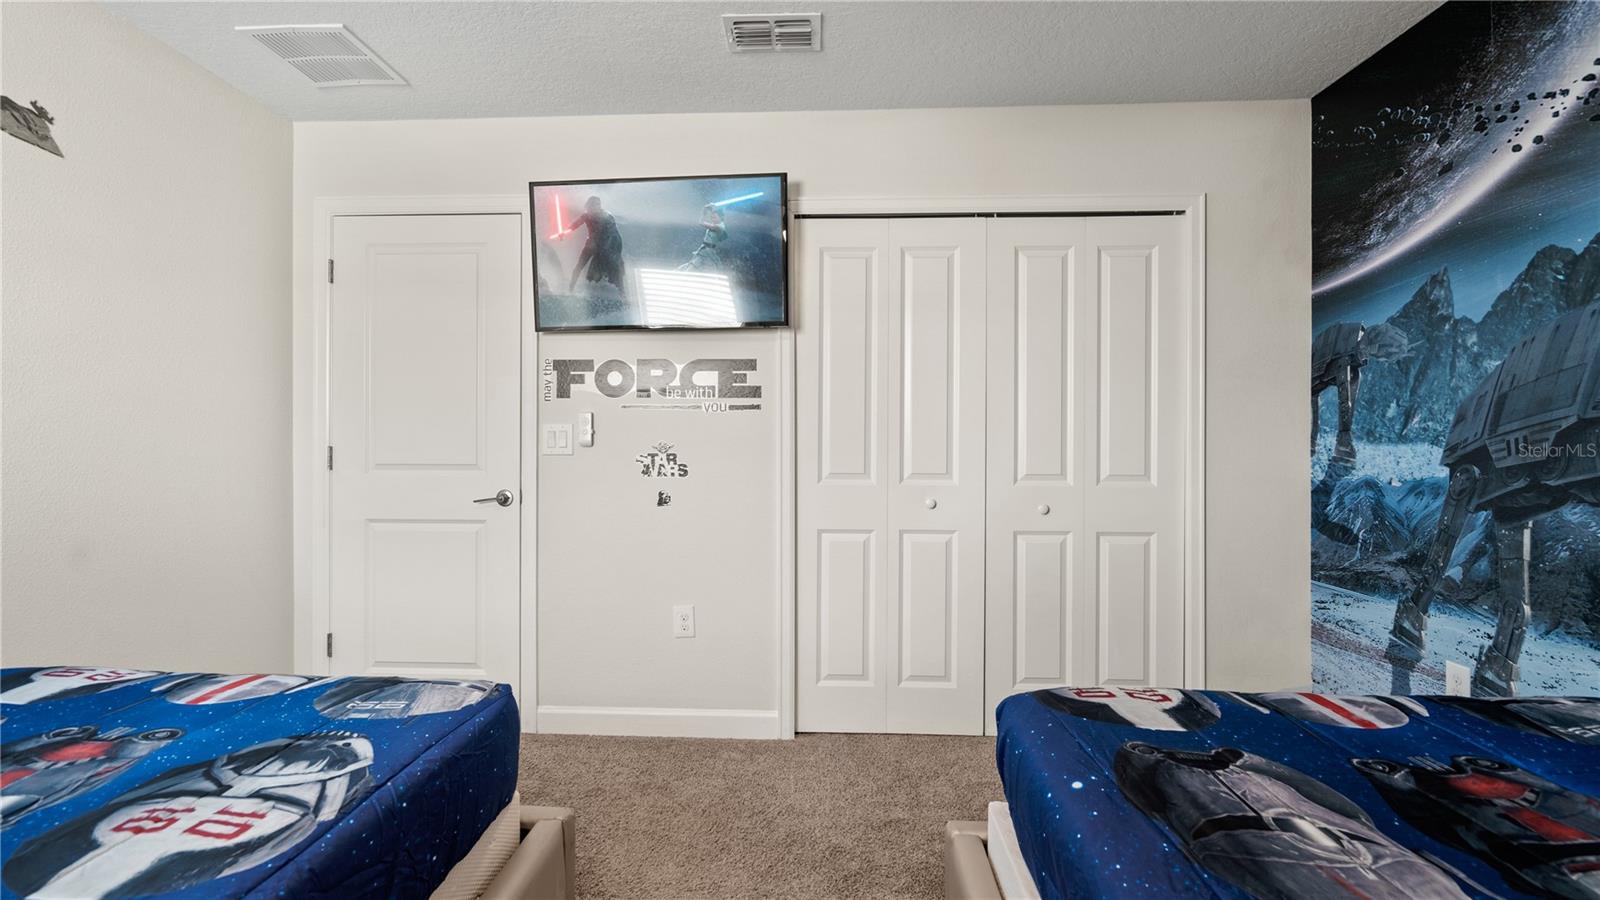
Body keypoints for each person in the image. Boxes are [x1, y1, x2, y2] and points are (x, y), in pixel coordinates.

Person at [560, 195, 625, 295]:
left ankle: (621, 292)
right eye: (592, 206)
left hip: (604, 247)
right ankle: (570, 288)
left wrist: (609, 250)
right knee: (579, 266)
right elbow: (575, 225)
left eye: (596, 205)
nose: (594, 208)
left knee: (614, 269)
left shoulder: (607, 217)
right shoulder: (587, 216)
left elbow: (615, 236)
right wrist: (564, 233)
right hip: (592, 244)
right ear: (589, 206)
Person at [680, 204, 727, 271]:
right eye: (712, 218)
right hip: (705, 250)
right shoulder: (718, 225)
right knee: (692, 265)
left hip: (708, 251)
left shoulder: (718, 227)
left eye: (714, 217)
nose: (712, 219)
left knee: (693, 266)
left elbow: (701, 223)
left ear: (721, 217)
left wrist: (704, 211)